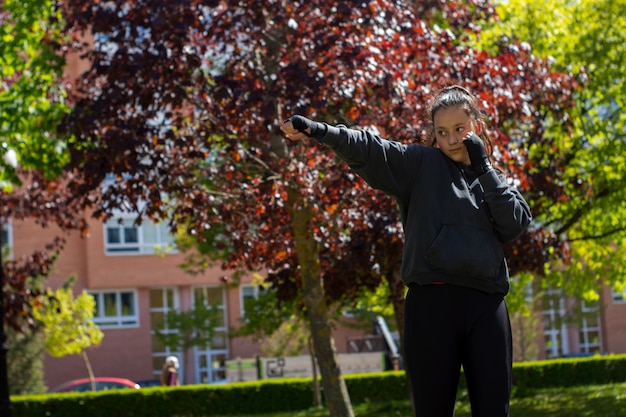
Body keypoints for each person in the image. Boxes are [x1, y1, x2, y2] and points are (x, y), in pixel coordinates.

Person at [280, 85, 532, 417]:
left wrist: (484, 168)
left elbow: (515, 224)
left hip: (487, 306)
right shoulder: (420, 164)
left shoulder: (493, 180)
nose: (452, 139)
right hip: (432, 306)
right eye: (442, 132)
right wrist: (320, 131)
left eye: (460, 129)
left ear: (477, 128)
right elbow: (371, 148)